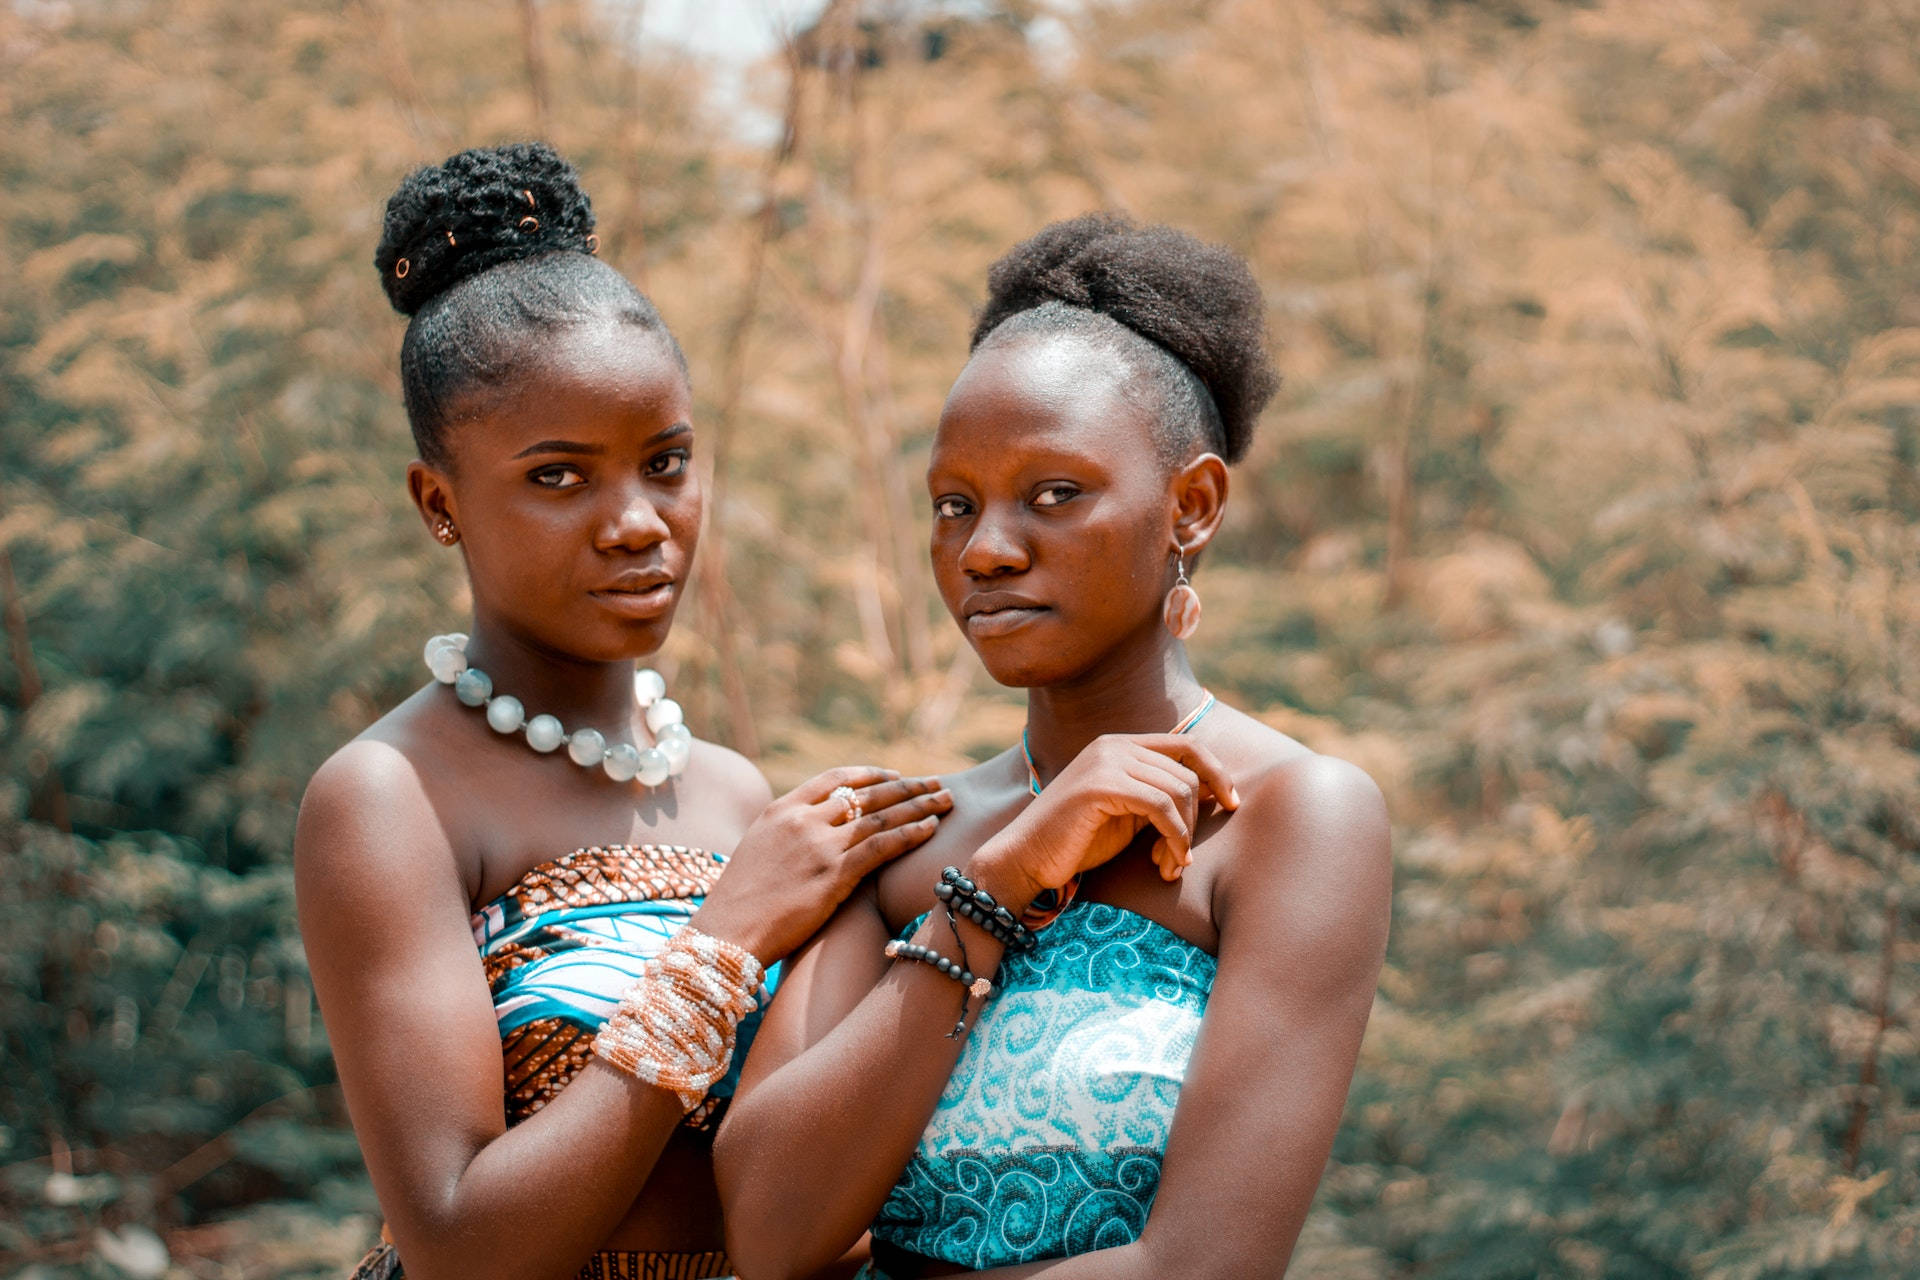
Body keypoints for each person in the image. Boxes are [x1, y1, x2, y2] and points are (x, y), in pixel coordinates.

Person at [294, 142, 951, 1280]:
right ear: (438, 502)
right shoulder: (389, 797)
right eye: (560, 475)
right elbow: (460, 1240)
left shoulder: (738, 792)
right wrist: (726, 938)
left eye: (668, 460)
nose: (639, 520)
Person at [714, 214, 1392, 1279]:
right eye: (953, 503)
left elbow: (1203, 1267)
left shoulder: (1292, 819)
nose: (985, 549)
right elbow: (768, 1229)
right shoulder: (904, 839)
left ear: (1192, 503)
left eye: (1054, 493)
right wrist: (988, 890)